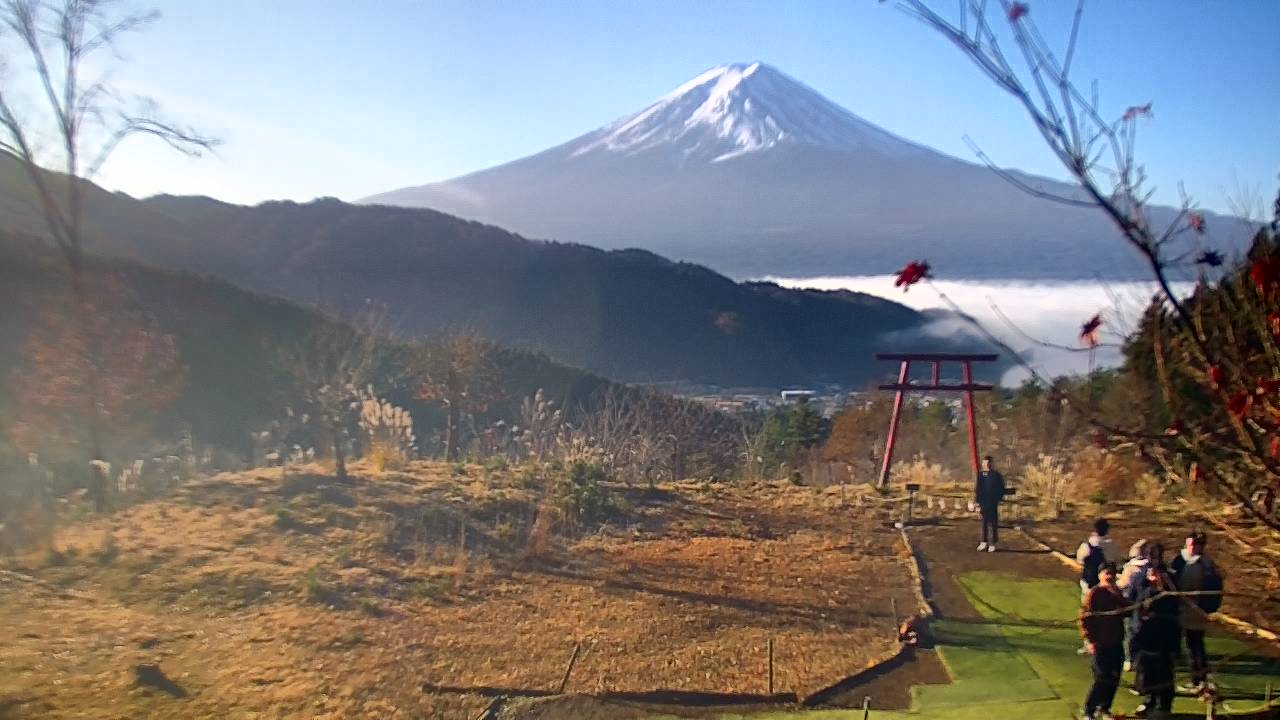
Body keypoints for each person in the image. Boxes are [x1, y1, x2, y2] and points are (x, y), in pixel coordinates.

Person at [1169, 529, 1223, 692]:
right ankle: (1200, 679)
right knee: (1193, 645)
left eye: (1192, 544)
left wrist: (1204, 607)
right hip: (1186, 609)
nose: (1189, 547)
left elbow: (1212, 589)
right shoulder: (1183, 560)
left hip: (1196, 610)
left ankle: (1198, 680)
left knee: (1195, 646)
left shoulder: (1205, 565)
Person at [1132, 557, 1180, 719]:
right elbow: (1137, 610)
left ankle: (1164, 706)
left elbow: (1173, 618)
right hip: (1146, 638)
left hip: (1164, 640)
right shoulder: (1144, 589)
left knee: (1164, 675)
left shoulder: (1169, 594)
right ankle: (1149, 701)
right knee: (1148, 675)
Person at [1080, 562, 1127, 720]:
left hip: (1116, 641)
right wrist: (1090, 640)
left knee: (1114, 677)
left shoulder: (1116, 593)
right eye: (1107, 573)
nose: (1110, 576)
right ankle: (1089, 710)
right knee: (1102, 678)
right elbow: (1085, 619)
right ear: (1100, 575)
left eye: (1112, 573)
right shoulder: (1095, 593)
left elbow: (1127, 608)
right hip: (1101, 643)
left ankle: (1105, 708)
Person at [1076, 518, 1119, 653]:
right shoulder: (1111, 545)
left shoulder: (1087, 544)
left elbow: (1080, 560)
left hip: (1088, 583)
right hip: (1106, 586)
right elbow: (1116, 561)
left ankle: (1089, 643)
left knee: (1088, 613)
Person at [1117, 539, 1151, 672]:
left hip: (1130, 603)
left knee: (1129, 633)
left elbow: (1123, 585)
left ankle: (1129, 659)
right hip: (1144, 605)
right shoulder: (1149, 568)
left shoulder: (1131, 568)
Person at [974, 455, 1005, 552]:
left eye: (987, 463)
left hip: (992, 503)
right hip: (983, 503)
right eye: (984, 463)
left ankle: (993, 543)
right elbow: (978, 490)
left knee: (993, 524)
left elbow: (1001, 488)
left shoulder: (996, 475)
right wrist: (977, 503)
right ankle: (984, 542)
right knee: (984, 523)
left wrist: (998, 499)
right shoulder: (980, 475)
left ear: (991, 464)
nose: (985, 465)